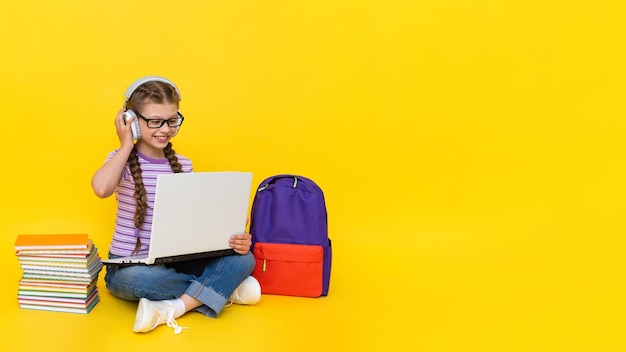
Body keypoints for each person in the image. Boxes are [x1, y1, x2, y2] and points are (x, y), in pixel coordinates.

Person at [91, 76, 260, 334]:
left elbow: (196, 221)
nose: (165, 129)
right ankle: (225, 290)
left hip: (178, 261)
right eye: (155, 121)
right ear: (132, 122)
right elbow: (101, 188)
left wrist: (231, 233)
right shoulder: (120, 160)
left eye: (172, 120)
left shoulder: (184, 164)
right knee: (136, 280)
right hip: (129, 267)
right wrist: (126, 144)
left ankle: (175, 307)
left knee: (244, 259)